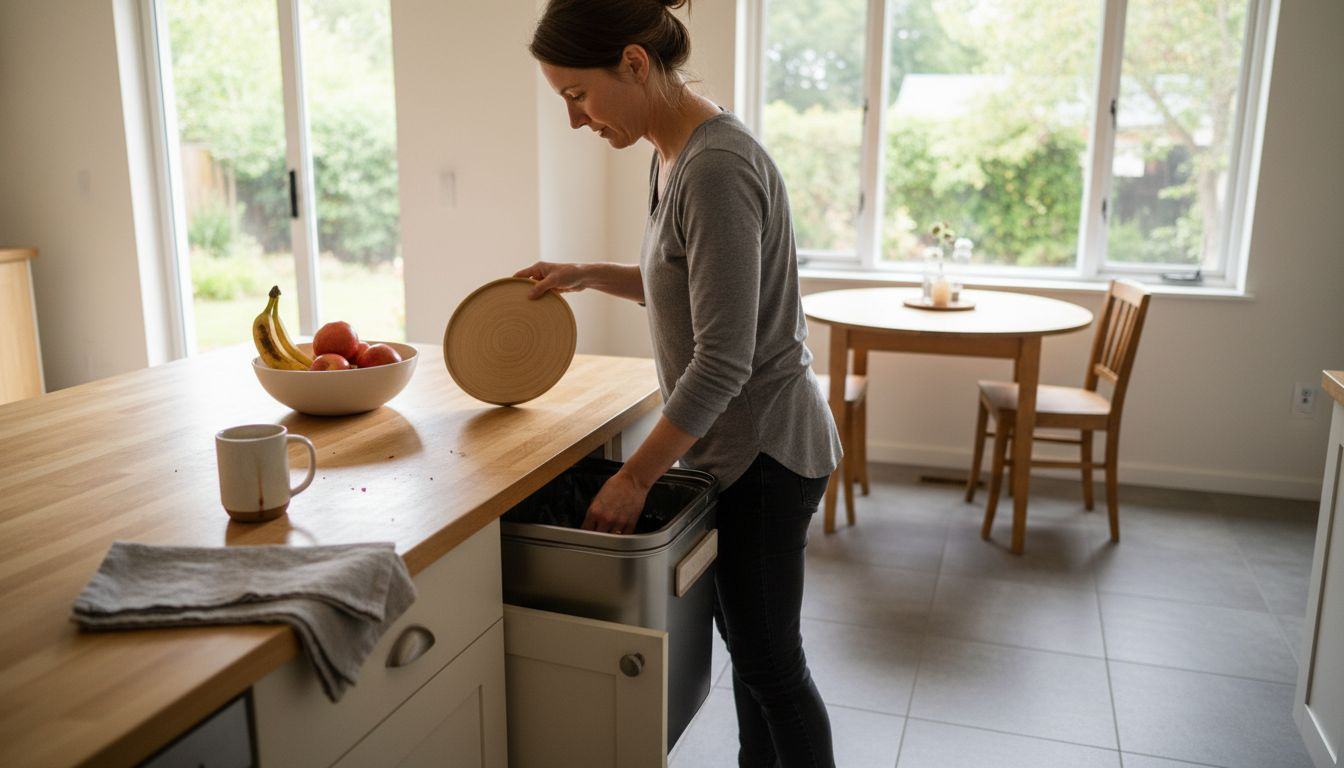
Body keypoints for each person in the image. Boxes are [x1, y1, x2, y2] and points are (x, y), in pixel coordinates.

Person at [518, 1, 841, 765]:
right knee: (755, 662)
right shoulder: (672, 152)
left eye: (576, 94)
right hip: (734, 450)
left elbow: (725, 357)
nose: (574, 120)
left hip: (766, 454)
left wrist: (636, 476)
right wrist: (587, 274)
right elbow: (688, 284)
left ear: (633, 64)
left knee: (771, 667)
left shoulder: (718, 166)